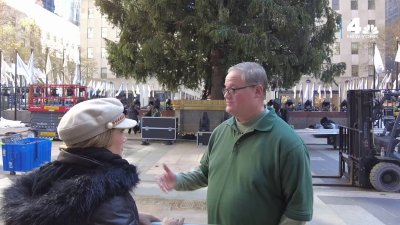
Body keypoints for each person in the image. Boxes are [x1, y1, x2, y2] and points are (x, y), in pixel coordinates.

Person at [157, 62, 313, 225]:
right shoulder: (220, 132)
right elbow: (205, 173)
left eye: (233, 89)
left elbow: (297, 213)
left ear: (257, 91)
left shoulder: (288, 144)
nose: (226, 95)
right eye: (226, 89)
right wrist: (178, 180)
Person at [0, 98, 160, 225]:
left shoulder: (45, 177)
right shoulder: (109, 196)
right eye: (120, 132)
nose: (124, 138)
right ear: (103, 139)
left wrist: (133, 217)